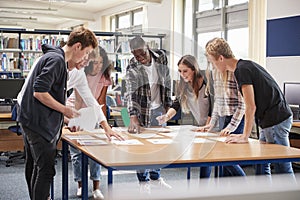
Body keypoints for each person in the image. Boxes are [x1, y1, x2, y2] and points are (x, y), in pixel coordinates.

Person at [18, 27, 98, 200]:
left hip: (32, 120)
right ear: (77, 47)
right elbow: (39, 92)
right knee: (46, 171)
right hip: (38, 124)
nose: (85, 58)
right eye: (86, 53)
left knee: (37, 167)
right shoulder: (56, 60)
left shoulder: (56, 59)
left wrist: (65, 117)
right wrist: (65, 110)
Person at [205, 37, 294, 175]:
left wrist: (244, 136)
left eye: (213, 62)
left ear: (221, 58)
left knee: (282, 167)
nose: (213, 66)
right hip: (267, 120)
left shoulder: (242, 70)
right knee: (262, 164)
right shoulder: (243, 66)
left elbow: (250, 106)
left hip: (276, 119)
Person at [125, 36, 172, 193]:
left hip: (159, 108)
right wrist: (132, 116)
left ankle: (156, 178)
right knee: (142, 149)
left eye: (142, 54)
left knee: (158, 146)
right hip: (142, 110)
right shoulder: (132, 65)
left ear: (147, 47)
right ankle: (143, 182)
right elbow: (130, 91)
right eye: (136, 55)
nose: (140, 58)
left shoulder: (161, 57)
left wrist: (168, 106)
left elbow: (167, 80)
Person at [66, 46, 114, 199]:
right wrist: (78, 123)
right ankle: (80, 185)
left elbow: (101, 101)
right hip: (75, 110)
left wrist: (104, 123)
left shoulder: (105, 76)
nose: (98, 66)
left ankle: (96, 188)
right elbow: (79, 100)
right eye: (94, 62)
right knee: (77, 154)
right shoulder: (81, 73)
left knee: (95, 153)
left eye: (101, 63)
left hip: (94, 112)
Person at [156, 55, 213, 178]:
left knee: (223, 161)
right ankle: (203, 190)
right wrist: (166, 117)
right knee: (205, 158)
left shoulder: (207, 82)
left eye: (185, 71)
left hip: (214, 123)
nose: (182, 74)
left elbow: (213, 108)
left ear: (194, 69)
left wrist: (209, 126)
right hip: (202, 125)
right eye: (180, 71)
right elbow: (176, 105)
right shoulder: (183, 85)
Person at [197, 68, 246, 177]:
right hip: (224, 117)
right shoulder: (215, 72)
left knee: (228, 159)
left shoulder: (235, 72)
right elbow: (218, 101)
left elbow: (242, 105)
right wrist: (212, 123)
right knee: (222, 160)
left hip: (237, 117)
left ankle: (245, 184)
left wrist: (231, 127)